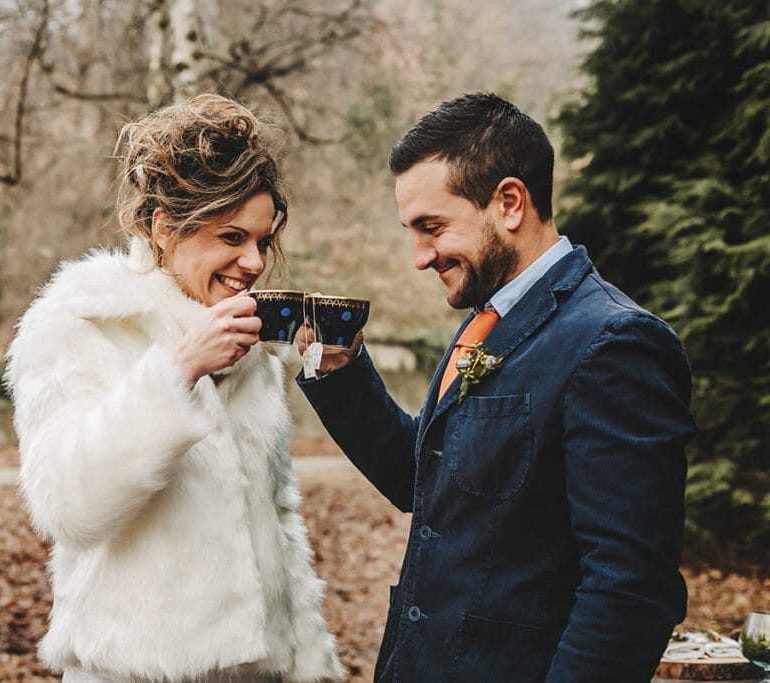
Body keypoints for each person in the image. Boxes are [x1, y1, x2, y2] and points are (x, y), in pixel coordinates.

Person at [297, 92, 696, 682]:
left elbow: (631, 590)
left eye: (432, 227)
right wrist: (340, 370)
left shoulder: (615, 344)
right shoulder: (488, 320)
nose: (419, 256)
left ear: (510, 202)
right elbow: (426, 479)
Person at [6, 94, 343, 683]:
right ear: (164, 227)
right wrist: (176, 372)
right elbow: (67, 507)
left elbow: (279, 523)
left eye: (262, 241)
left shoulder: (247, 347)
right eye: (232, 237)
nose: (253, 261)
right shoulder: (82, 320)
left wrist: (312, 666)